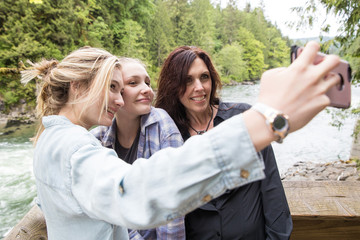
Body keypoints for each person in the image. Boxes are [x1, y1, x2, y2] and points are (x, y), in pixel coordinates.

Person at [20, 42, 340, 240]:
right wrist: (264, 121)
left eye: (123, 88)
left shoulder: (52, 141)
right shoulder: (75, 147)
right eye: (112, 87)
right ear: (77, 88)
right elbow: (134, 192)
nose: (119, 100)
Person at [155, 45, 293, 239]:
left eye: (204, 77)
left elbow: (272, 192)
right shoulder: (170, 137)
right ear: (173, 86)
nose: (199, 87)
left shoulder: (244, 119)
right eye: (187, 80)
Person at [90, 57, 185, 239]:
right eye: (133, 83)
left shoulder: (162, 126)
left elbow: (173, 205)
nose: (147, 90)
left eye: (147, 83)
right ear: (114, 91)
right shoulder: (98, 139)